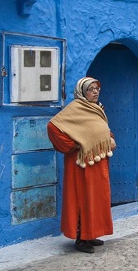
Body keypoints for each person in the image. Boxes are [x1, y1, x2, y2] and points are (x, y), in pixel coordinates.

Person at [47, 77, 116, 254]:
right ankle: (80, 238)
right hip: (80, 164)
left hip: (97, 162)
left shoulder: (97, 109)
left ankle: (91, 233)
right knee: (81, 198)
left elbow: (99, 130)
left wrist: (109, 139)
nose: (95, 91)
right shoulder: (75, 109)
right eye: (91, 89)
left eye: (96, 88)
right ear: (82, 92)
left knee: (96, 198)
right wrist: (74, 145)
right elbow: (53, 127)